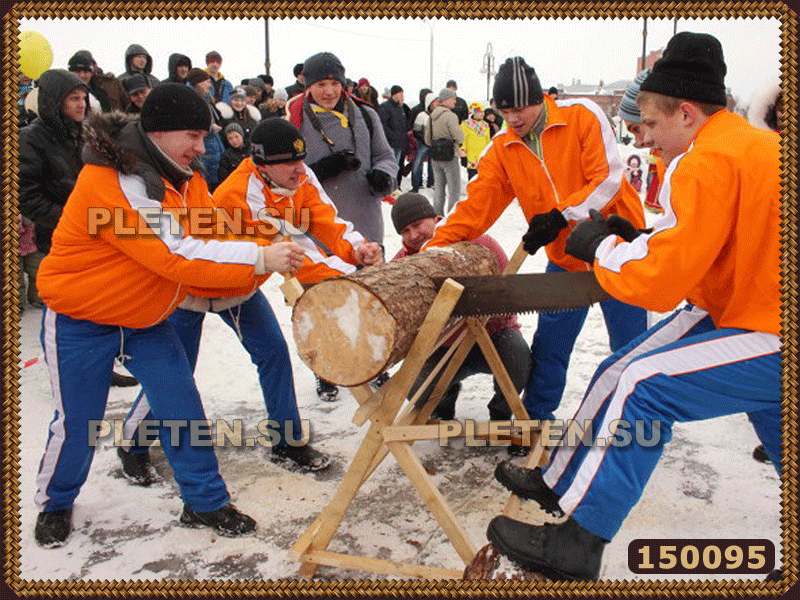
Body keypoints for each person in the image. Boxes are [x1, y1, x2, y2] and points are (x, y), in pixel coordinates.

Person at [487, 32, 781, 581]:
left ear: (687, 114)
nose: (644, 141)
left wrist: (601, 248)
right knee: (617, 368)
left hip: (768, 325)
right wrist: (633, 236)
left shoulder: (706, 161)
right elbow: (698, 239)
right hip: (745, 302)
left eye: (650, 124)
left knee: (645, 386)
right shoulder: (745, 145)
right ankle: (561, 479)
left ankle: (580, 543)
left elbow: (661, 283)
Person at [32, 83, 305, 547]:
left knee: (182, 408)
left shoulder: (185, 177)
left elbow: (212, 230)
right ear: (157, 133)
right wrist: (261, 261)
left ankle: (204, 501)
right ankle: (56, 502)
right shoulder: (113, 183)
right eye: (194, 135)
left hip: (144, 319)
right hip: (82, 319)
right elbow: (173, 254)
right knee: (79, 423)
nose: (203, 147)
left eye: (204, 136)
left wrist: (265, 243)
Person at [118, 118, 382, 477]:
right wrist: (347, 278)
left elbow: (326, 220)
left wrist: (357, 250)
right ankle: (131, 443)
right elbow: (293, 254)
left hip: (241, 287)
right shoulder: (240, 194)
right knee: (175, 372)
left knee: (273, 354)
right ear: (262, 163)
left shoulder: (298, 175)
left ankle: (287, 441)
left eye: (300, 159)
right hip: (195, 289)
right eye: (289, 162)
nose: (299, 168)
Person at [424, 56, 647, 428]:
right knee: (550, 347)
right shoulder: (503, 148)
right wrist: (433, 250)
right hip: (566, 256)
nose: (513, 117)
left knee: (630, 347)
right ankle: (536, 421)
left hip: (619, 249)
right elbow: (474, 207)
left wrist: (562, 215)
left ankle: (637, 421)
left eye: (521, 107)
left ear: (541, 97)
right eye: (505, 108)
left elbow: (608, 179)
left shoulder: (582, 115)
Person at [391, 192, 531, 424]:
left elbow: (510, 295)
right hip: (442, 347)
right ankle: (442, 406)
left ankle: (501, 413)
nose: (413, 235)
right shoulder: (400, 264)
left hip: (493, 336)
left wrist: (483, 308)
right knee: (414, 386)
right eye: (405, 231)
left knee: (519, 360)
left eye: (417, 225)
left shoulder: (480, 243)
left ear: (436, 219)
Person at [289, 52, 397, 247]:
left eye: (335, 84)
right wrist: (321, 170)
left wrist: (383, 175)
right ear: (309, 86)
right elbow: (282, 176)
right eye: (321, 85)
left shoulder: (366, 114)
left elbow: (385, 156)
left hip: (366, 226)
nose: (329, 91)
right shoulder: (294, 122)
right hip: (318, 231)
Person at [424, 87, 465, 215]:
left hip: (435, 157)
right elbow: (460, 136)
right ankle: (451, 217)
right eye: (453, 98)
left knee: (439, 189)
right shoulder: (450, 116)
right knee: (454, 190)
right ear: (446, 99)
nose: (455, 101)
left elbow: (427, 139)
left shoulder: (431, 116)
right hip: (450, 156)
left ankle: (437, 216)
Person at [187, 67, 225, 192]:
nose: (209, 84)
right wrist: (209, 129)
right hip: (201, 151)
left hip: (212, 147)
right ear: (198, 82)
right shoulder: (191, 100)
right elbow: (190, 124)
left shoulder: (206, 99)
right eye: (206, 81)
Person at [378, 85, 409, 180]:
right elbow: (383, 125)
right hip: (390, 143)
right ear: (395, 94)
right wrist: (392, 136)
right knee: (389, 167)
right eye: (401, 93)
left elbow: (403, 125)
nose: (403, 96)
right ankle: (388, 186)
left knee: (396, 167)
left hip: (399, 143)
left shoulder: (400, 108)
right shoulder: (385, 107)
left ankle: (394, 186)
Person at [460, 102, 491, 180]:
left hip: (483, 155)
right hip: (471, 155)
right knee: (472, 176)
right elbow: (463, 139)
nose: (482, 114)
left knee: (483, 176)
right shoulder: (466, 124)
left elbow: (487, 139)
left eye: (483, 112)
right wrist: (462, 153)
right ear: (473, 113)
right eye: (480, 112)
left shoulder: (485, 124)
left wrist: (489, 151)